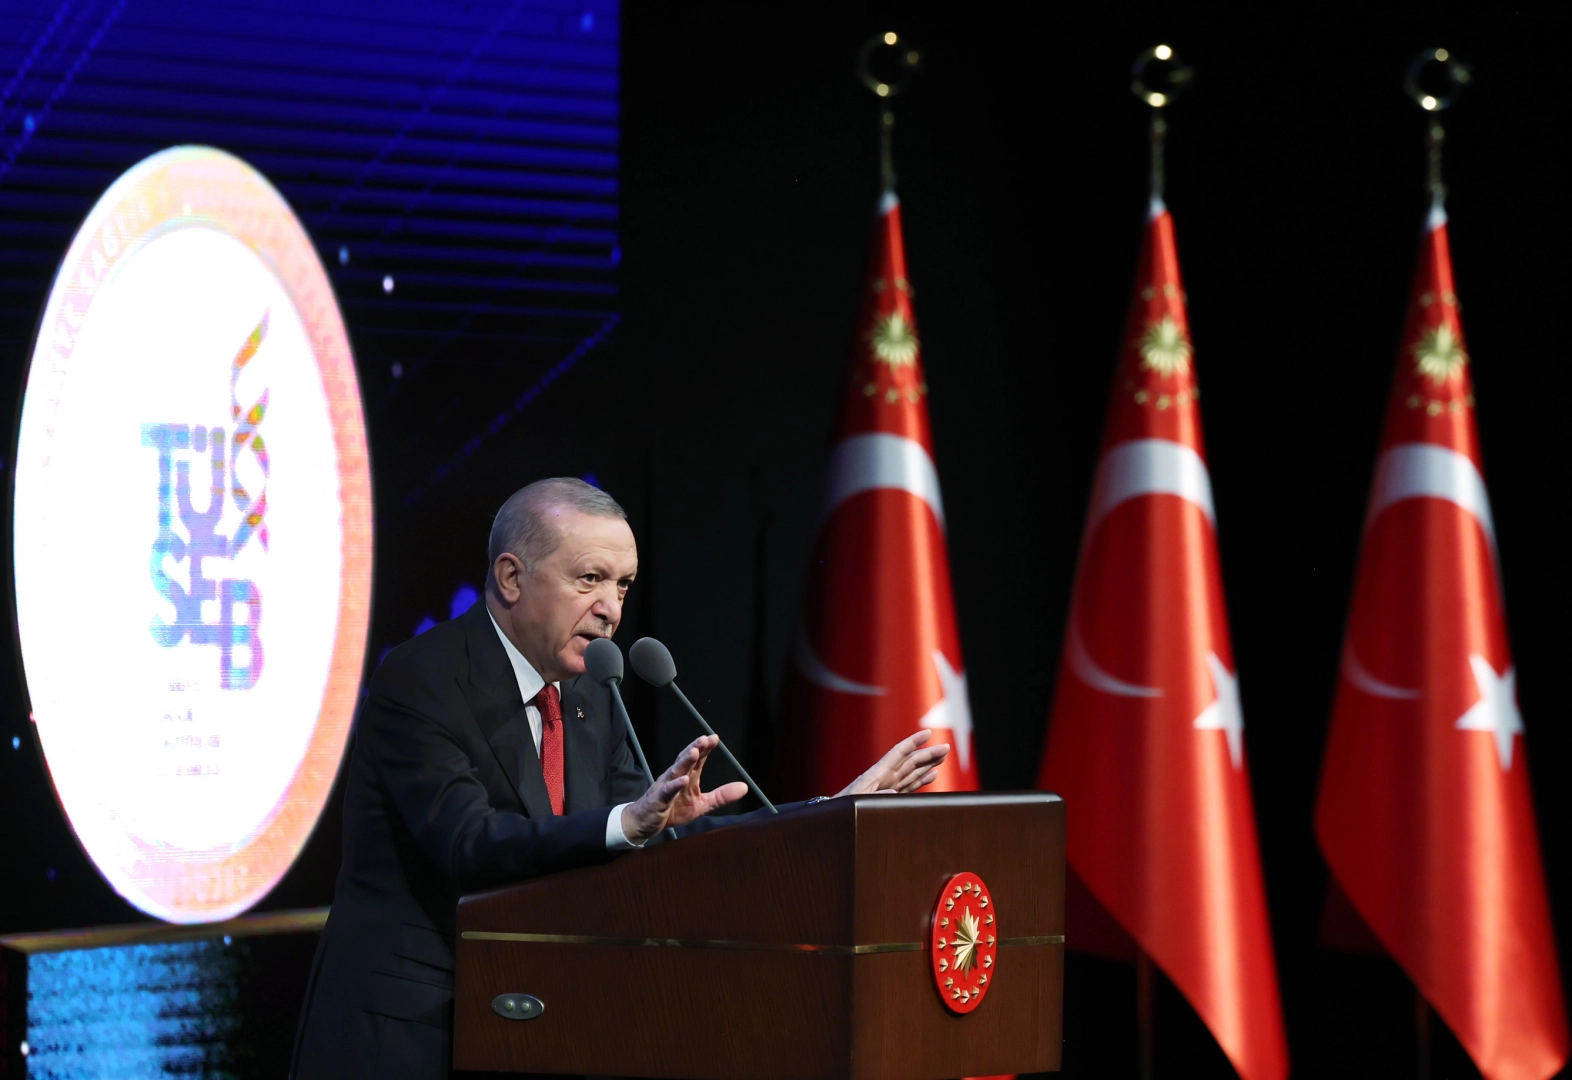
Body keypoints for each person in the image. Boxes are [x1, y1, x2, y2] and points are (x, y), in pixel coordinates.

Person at [290, 478, 950, 1080]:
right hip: (411, 1034)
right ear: (512, 577)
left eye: (624, 585)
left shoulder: (592, 694)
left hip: (538, 1024)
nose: (611, 609)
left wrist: (832, 812)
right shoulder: (422, 679)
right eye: (590, 579)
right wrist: (629, 823)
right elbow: (470, 843)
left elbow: (650, 846)